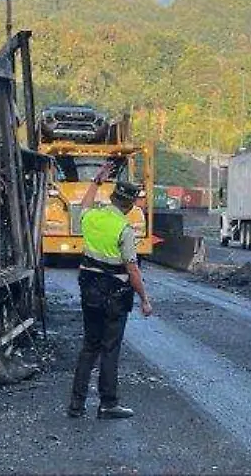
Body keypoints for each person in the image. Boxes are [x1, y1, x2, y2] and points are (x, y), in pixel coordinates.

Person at [68, 161, 153, 419]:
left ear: (113, 197)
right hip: (114, 296)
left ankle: (76, 405)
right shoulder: (123, 230)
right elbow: (132, 270)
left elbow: (84, 206)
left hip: (89, 292)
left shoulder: (92, 217)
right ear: (130, 205)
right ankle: (108, 404)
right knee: (109, 348)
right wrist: (145, 299)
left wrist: (96, 182)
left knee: (89, 346)